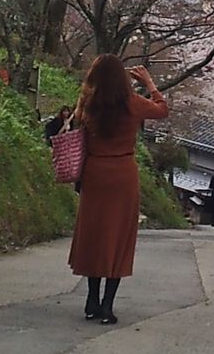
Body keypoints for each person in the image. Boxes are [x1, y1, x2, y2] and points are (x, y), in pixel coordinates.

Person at [68, 56, 168, 324]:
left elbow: (78, 125)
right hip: (123, 173)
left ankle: (91, 300)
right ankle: (107, 306)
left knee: (94, 234)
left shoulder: (88, 103)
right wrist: (149, 83)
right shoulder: (131, 103)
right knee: (117, 237)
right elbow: (162, 110)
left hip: (95, 174)